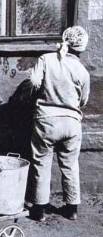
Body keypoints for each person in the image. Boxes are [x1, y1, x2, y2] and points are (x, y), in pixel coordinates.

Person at [28, 26, 90, 221]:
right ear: (81, 48)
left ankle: (39, 210)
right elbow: (83, 101)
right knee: (70, 166)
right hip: (72, 123)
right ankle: (72, 209)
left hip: (46, 121)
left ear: (64, 39)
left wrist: (35, 97)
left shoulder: (46, 59)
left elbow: (33, 82)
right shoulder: (82, 71)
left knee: (41, 164)